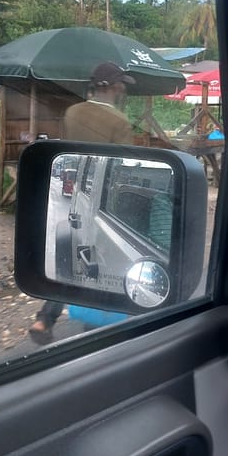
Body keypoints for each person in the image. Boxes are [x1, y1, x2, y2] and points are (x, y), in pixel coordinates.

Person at [28, 62, 136, 344]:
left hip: (69, 189)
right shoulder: (120, 123)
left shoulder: (72, 112)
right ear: (112, 87)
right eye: (121, 83)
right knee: (96, 260)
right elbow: (122, 168)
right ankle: (94, 332)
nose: (124, 87)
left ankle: (45, 318)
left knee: (67, 254)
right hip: (102, 199)